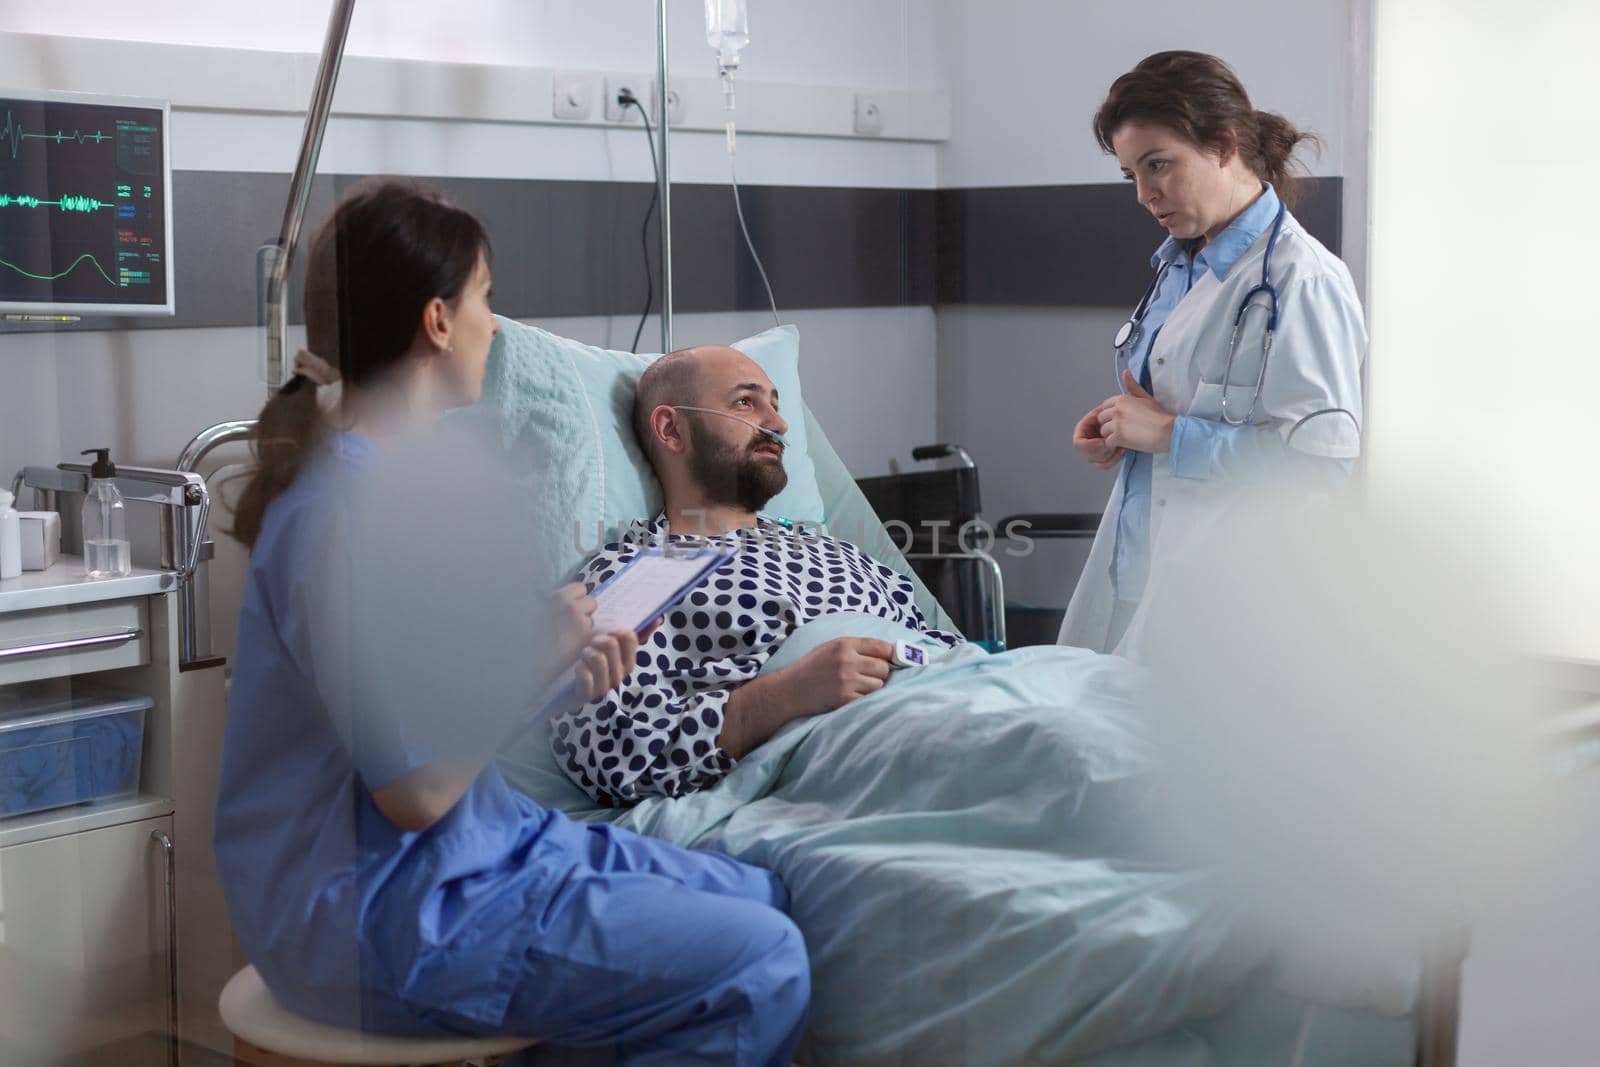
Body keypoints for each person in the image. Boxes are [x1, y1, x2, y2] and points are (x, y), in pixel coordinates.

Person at [214, 180, 809, 1066]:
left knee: (765, 894)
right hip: (379, 910)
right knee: (762, 962)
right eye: (485, 298)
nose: (497, 324)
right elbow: (413, 794)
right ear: (437, 322)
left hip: (472, 852)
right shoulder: (352, 515)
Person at [552, 345, 963, 805]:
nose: (779, 424)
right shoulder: (639, 573)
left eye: (775, 403)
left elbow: (942, 652)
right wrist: (782, 696)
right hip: (868, 759)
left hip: (955, 704)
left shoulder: (841, 552)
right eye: (746, 402)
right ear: (671, 429)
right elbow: (616, 757)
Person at [1060, 50, 1367, 657]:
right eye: (1132, 175)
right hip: (1138, 572)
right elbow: (1189, 402)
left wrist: (1170, 436)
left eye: (1159, 165)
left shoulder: (1301, 280)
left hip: (1231, 596)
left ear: (1224, 145)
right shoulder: (1184, 264)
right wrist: (1124, 427)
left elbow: (1323, 464)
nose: (1145, 194)